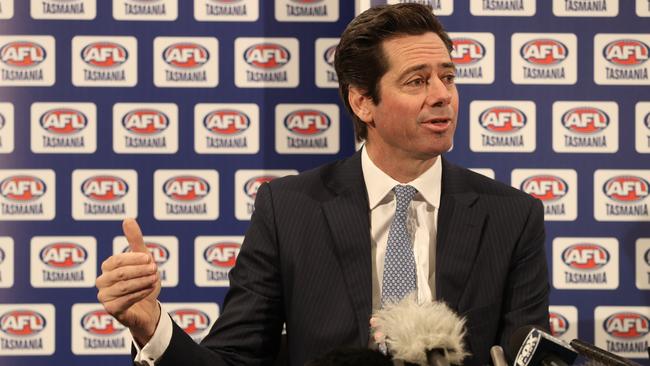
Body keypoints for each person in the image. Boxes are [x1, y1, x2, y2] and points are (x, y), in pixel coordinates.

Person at [96, 4, 550, 366]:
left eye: (447, 77)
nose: (442, 94)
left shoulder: (512, 215)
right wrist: (151, 326)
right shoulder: (290, 209)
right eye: (417, 81)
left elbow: (524, 358)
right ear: (362, 102)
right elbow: (233, 358)